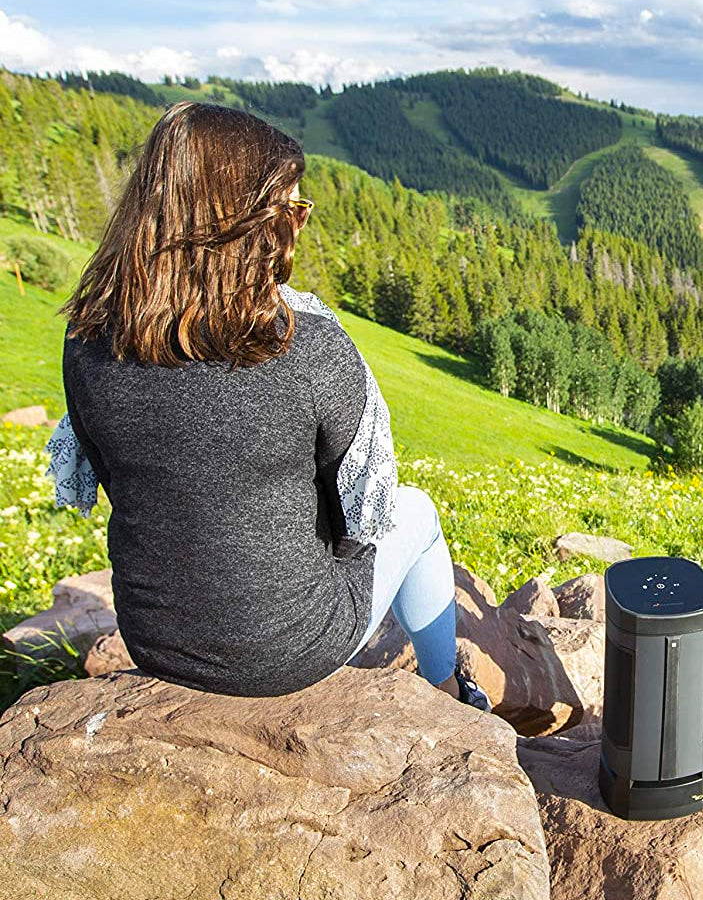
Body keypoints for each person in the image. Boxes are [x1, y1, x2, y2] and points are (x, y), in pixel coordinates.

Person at [47, 101, 489, 709]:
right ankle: (447, 691)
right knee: (416, 513)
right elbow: (368, 508)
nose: (299, 226)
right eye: (294, 210)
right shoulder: (305, 343)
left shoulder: (89, 340)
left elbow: (112, 473)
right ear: (248, 224)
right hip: (284, 652)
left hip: (154, 641)